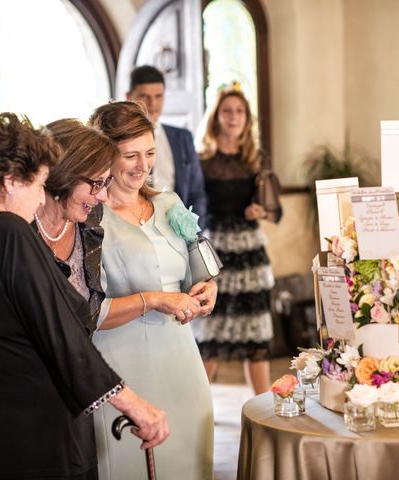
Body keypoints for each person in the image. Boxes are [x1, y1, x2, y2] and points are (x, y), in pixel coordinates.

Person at [0, 111, 169, 479]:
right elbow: (61, 333)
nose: (39, 201)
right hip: (30, 436)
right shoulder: (9, 232)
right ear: (10, 182)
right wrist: (136, 406)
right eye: (38, 186)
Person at [89, 101, 217, 480]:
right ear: (104, 154)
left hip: (181, 361)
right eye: (130, 155)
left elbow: (200, 272)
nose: (142, 165)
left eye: (149, 153)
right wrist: (156, 300)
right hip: (121, 367)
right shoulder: (90, 217)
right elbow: (87, 310)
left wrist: (208, 289)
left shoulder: (169, 203)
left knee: (190, 461)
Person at [191, 85, 279, 395]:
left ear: (247, 119)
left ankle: (265, 407)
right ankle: (198, 406)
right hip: (214, 249)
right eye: (227, 111)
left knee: (254, 332)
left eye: (239, 111)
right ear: (216, 118)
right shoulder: (202, 160)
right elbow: (191, 203)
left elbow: (274, 210)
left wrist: (261, 211)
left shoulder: (255, 160)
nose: (233, 117)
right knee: (210, 333)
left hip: (248, 249)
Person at [32, 118, 116, 333]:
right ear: (64, 174)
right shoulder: (19, 229)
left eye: (106, 183)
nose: (103, 196)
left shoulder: (89, 224)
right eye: (96, 183)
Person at [126, 65, 207, 229]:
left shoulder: (183, 138)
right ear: (129, 97)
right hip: (135, 229)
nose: (152, 104)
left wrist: (192, 232)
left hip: (178, 232)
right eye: (144, 96)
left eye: (158, 96)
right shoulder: (118, 143)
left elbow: (196, 193)